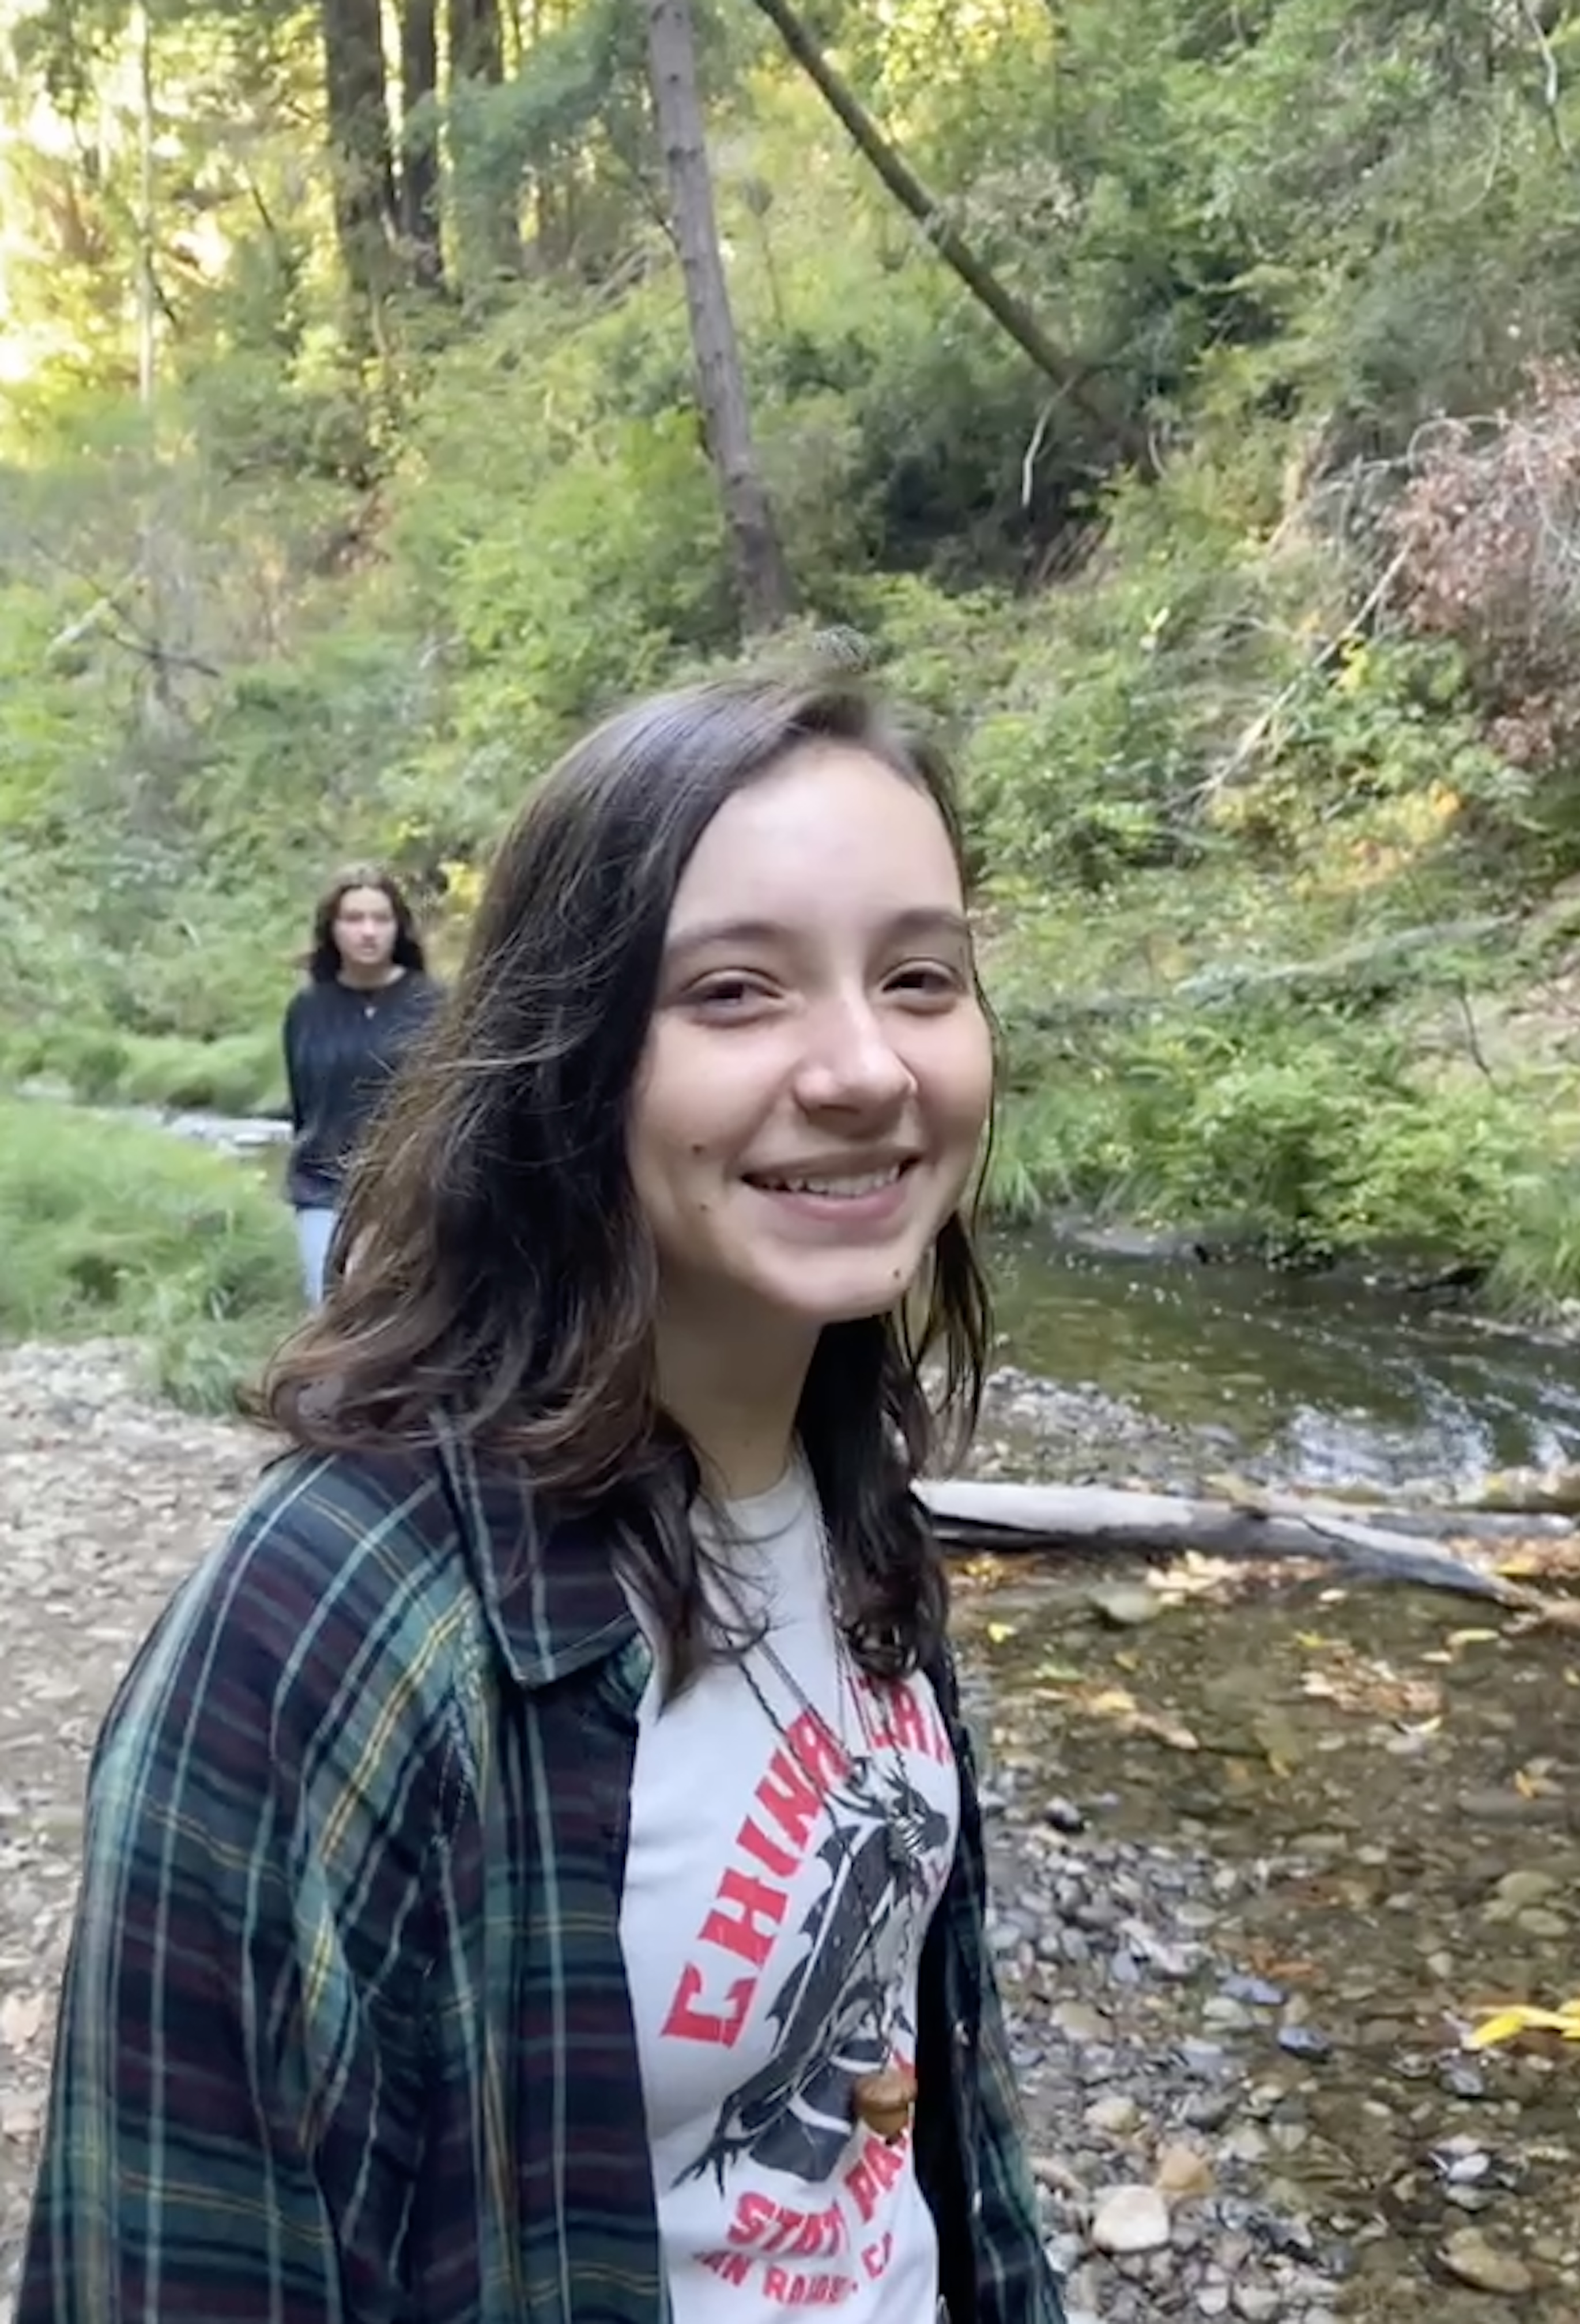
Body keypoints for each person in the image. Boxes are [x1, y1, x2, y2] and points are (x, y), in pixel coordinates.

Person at [20, 668, 1067, 2324]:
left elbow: (926, 2116)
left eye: (922, 976)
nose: (869, 1067)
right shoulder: (328, 1622)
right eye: (736, 992)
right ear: (568, 1055)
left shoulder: (854, 1506)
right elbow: (169, 2264)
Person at [281, 865, 442, 1304]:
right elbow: (304, 1107)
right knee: (329, 1315)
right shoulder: (307, 1010)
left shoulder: (435, 1004)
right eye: (354, 919)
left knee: (403, 1320)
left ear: (399, 928)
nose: (368, 932)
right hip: (324, 1189)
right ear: (331, 929)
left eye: (381, 919)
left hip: (412, 1194)